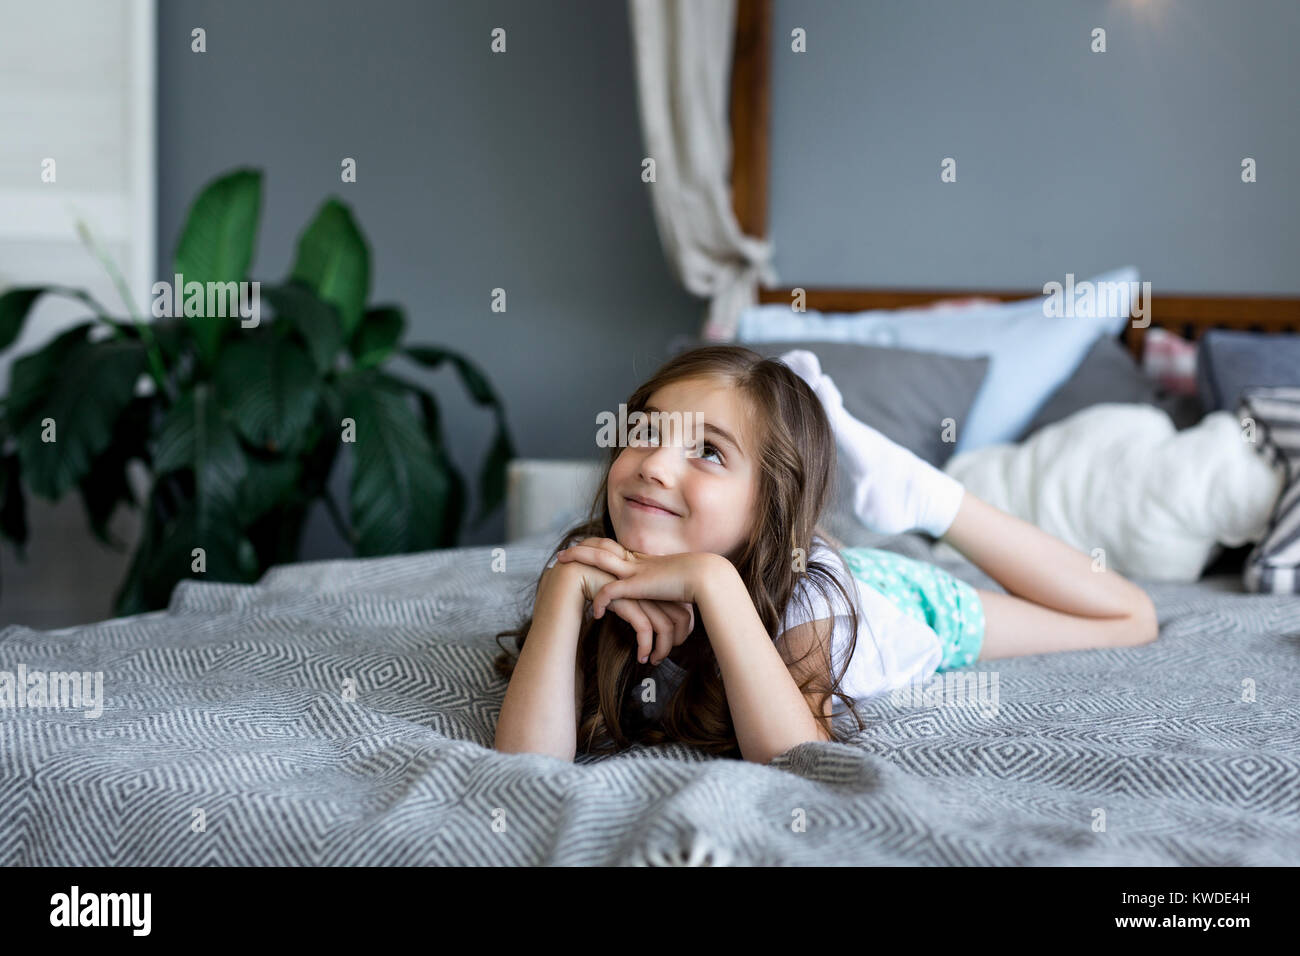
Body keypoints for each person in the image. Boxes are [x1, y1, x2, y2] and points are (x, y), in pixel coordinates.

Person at [493, 345, 1158, 765]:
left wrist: (713, 584)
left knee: (1128, 618)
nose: (654, 467)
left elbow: (793, 753)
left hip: (890, 598)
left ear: (769, 509)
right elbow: (526, 763)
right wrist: (560, 590)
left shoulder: (813, 598)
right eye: (646, 434)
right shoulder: (592, 567)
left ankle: (921, 495)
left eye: (708, 451)